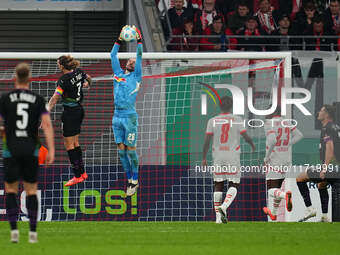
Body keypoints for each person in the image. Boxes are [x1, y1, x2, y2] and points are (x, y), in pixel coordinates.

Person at [0, 63, 55, 243]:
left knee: (11, 190)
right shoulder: (38, 99)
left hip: (11, 149)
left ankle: (14, 232)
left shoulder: (5, 98)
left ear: (15, 79)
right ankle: (32, 233)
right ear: (29, 80)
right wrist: (51, 149)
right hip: (31, 148)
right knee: (31, 190)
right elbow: (46, 124)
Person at [202, 96, 255, 224]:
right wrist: (252, 145)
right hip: (232, 155)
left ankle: (218, 219)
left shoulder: (212, 120)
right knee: (234, 183)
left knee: (218, 184)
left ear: (220, 106)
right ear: (231, 106)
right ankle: (224, 206)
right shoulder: (236, 119)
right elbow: (245, 136)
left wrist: (203, 157)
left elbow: (207, 141)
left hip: (218, 155)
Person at [47, 55, 92, 187]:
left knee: (69, 145)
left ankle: (77, 176)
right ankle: (82, 173)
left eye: (58, 63)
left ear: (61, 66)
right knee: (76, 142)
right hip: (79, 110)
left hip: (70, 113)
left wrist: (45, 112)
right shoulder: (79, 71)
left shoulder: (63, 80)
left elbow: (55, 98)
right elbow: (89, 78)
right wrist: (87, 84)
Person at [111, 26, 143, 196]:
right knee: (121, 150)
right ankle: (130, 180)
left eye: (134, 60)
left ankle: (136, 179)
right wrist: (119, 40)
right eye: (130, 59)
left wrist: (139, 41)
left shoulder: (137, 77)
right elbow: (112, 55)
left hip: (129, 117)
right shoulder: (117, 74)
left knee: (131, 150)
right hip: (116, 116)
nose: (133, 60)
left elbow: (139, 55)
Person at [296, 105, 340, 222]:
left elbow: (330, 148)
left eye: (321, 111)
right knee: (322, 185)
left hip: (332, 167)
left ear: (327, 114)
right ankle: (325, 216)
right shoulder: (335, 127)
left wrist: (325, 168)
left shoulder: (327, 128)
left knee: (300, 178)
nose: (318, 113)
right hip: (336, 167)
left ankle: (310, 209)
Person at [262, 107, 304, 221]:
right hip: (286, 160)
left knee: (271, 189)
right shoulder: (287, 121)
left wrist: (266, 157)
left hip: (274, 160)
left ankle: (285, 195)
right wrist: (288, 144)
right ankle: (274, 213)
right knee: (277, 188)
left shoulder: (269, 123)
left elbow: (272, 141)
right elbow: (300, 135)